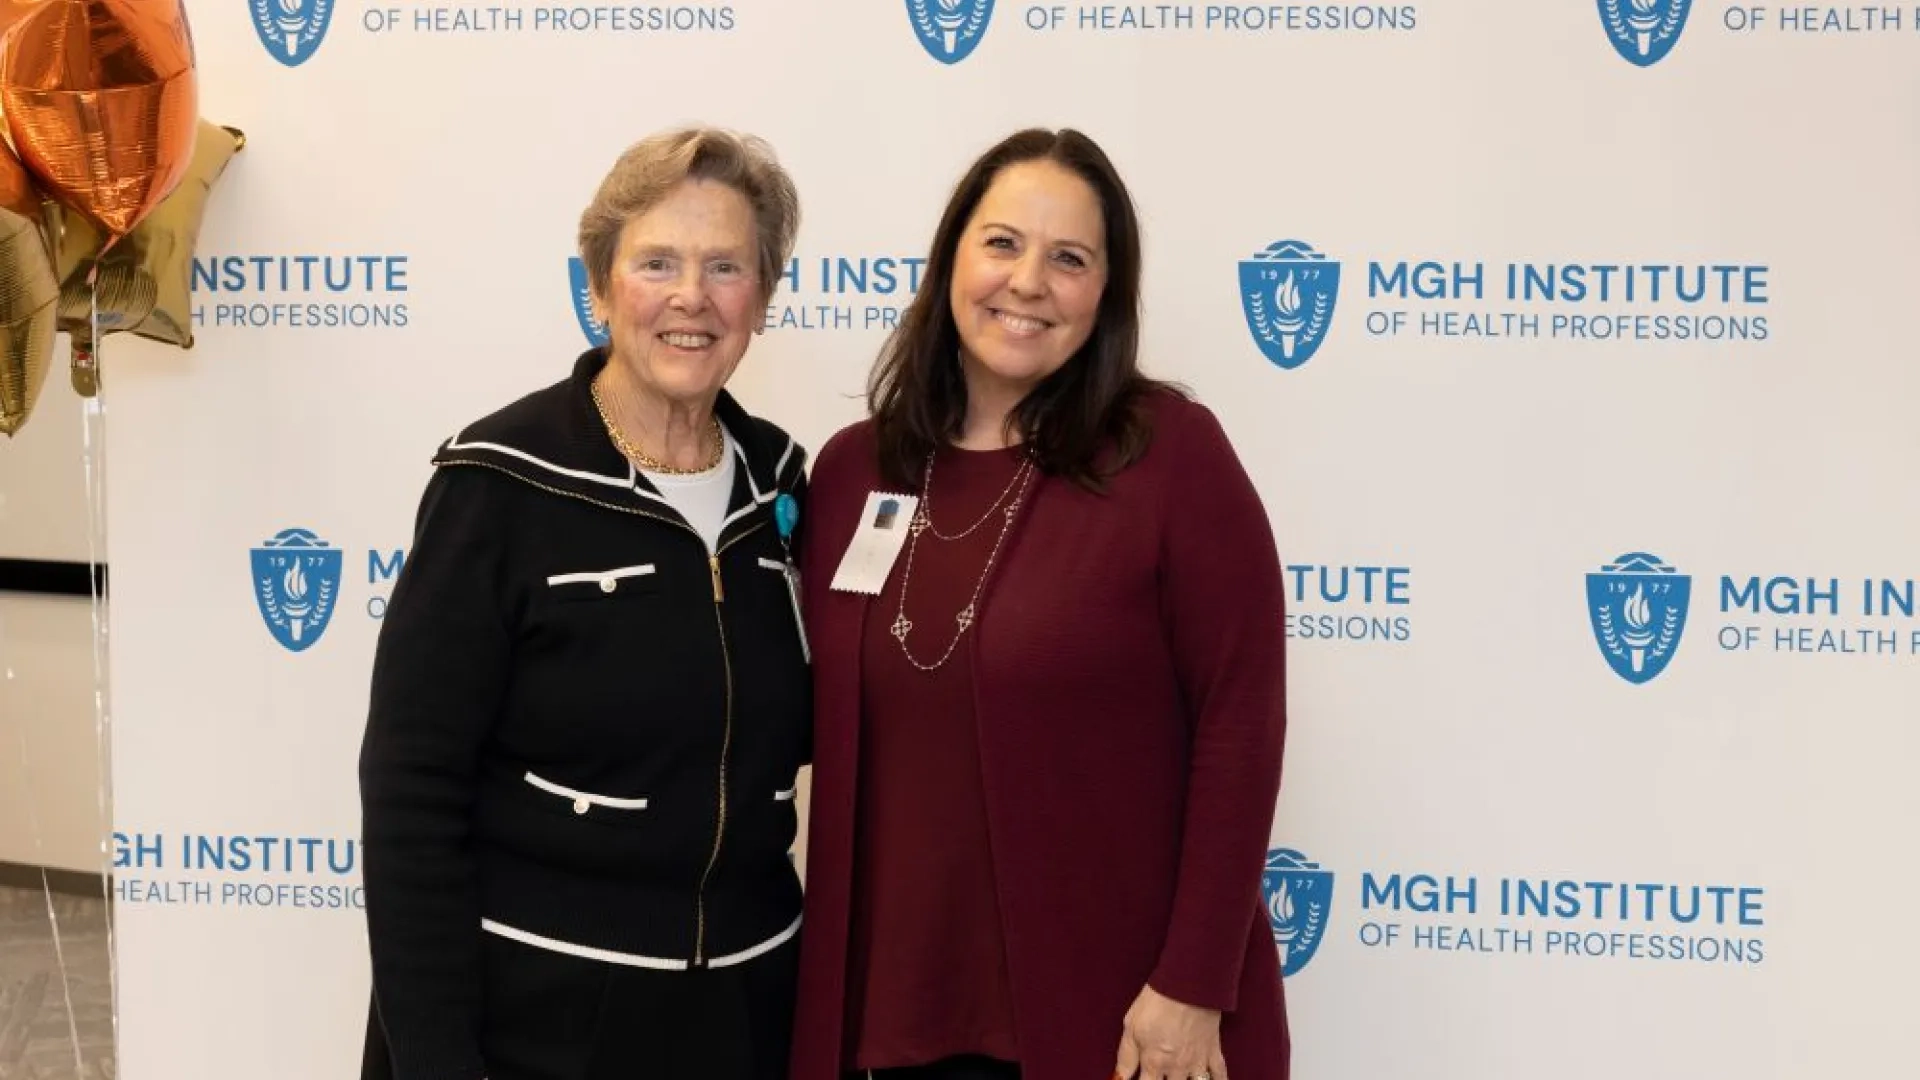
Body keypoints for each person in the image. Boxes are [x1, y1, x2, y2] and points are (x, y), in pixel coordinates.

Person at [789, 127, 1292, 1080]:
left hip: (1116, 1018)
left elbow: (1241, 722)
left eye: (1070, 258)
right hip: (885, 1022)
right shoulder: (856, 469)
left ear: (1105, 295)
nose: (1028, 281)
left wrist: (1193, 985)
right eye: (1003, 243)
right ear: (951, 263)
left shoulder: (1171, 456)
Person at [357, 126, 813, 1080]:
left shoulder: (786, 482)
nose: (692, 296)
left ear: (762, 300)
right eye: (657, 262)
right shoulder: (499, 482)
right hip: (540, 1020)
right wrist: (436, 1059)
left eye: (726, 266)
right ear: (601, 287)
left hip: (745, 1011)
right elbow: (411, 792)